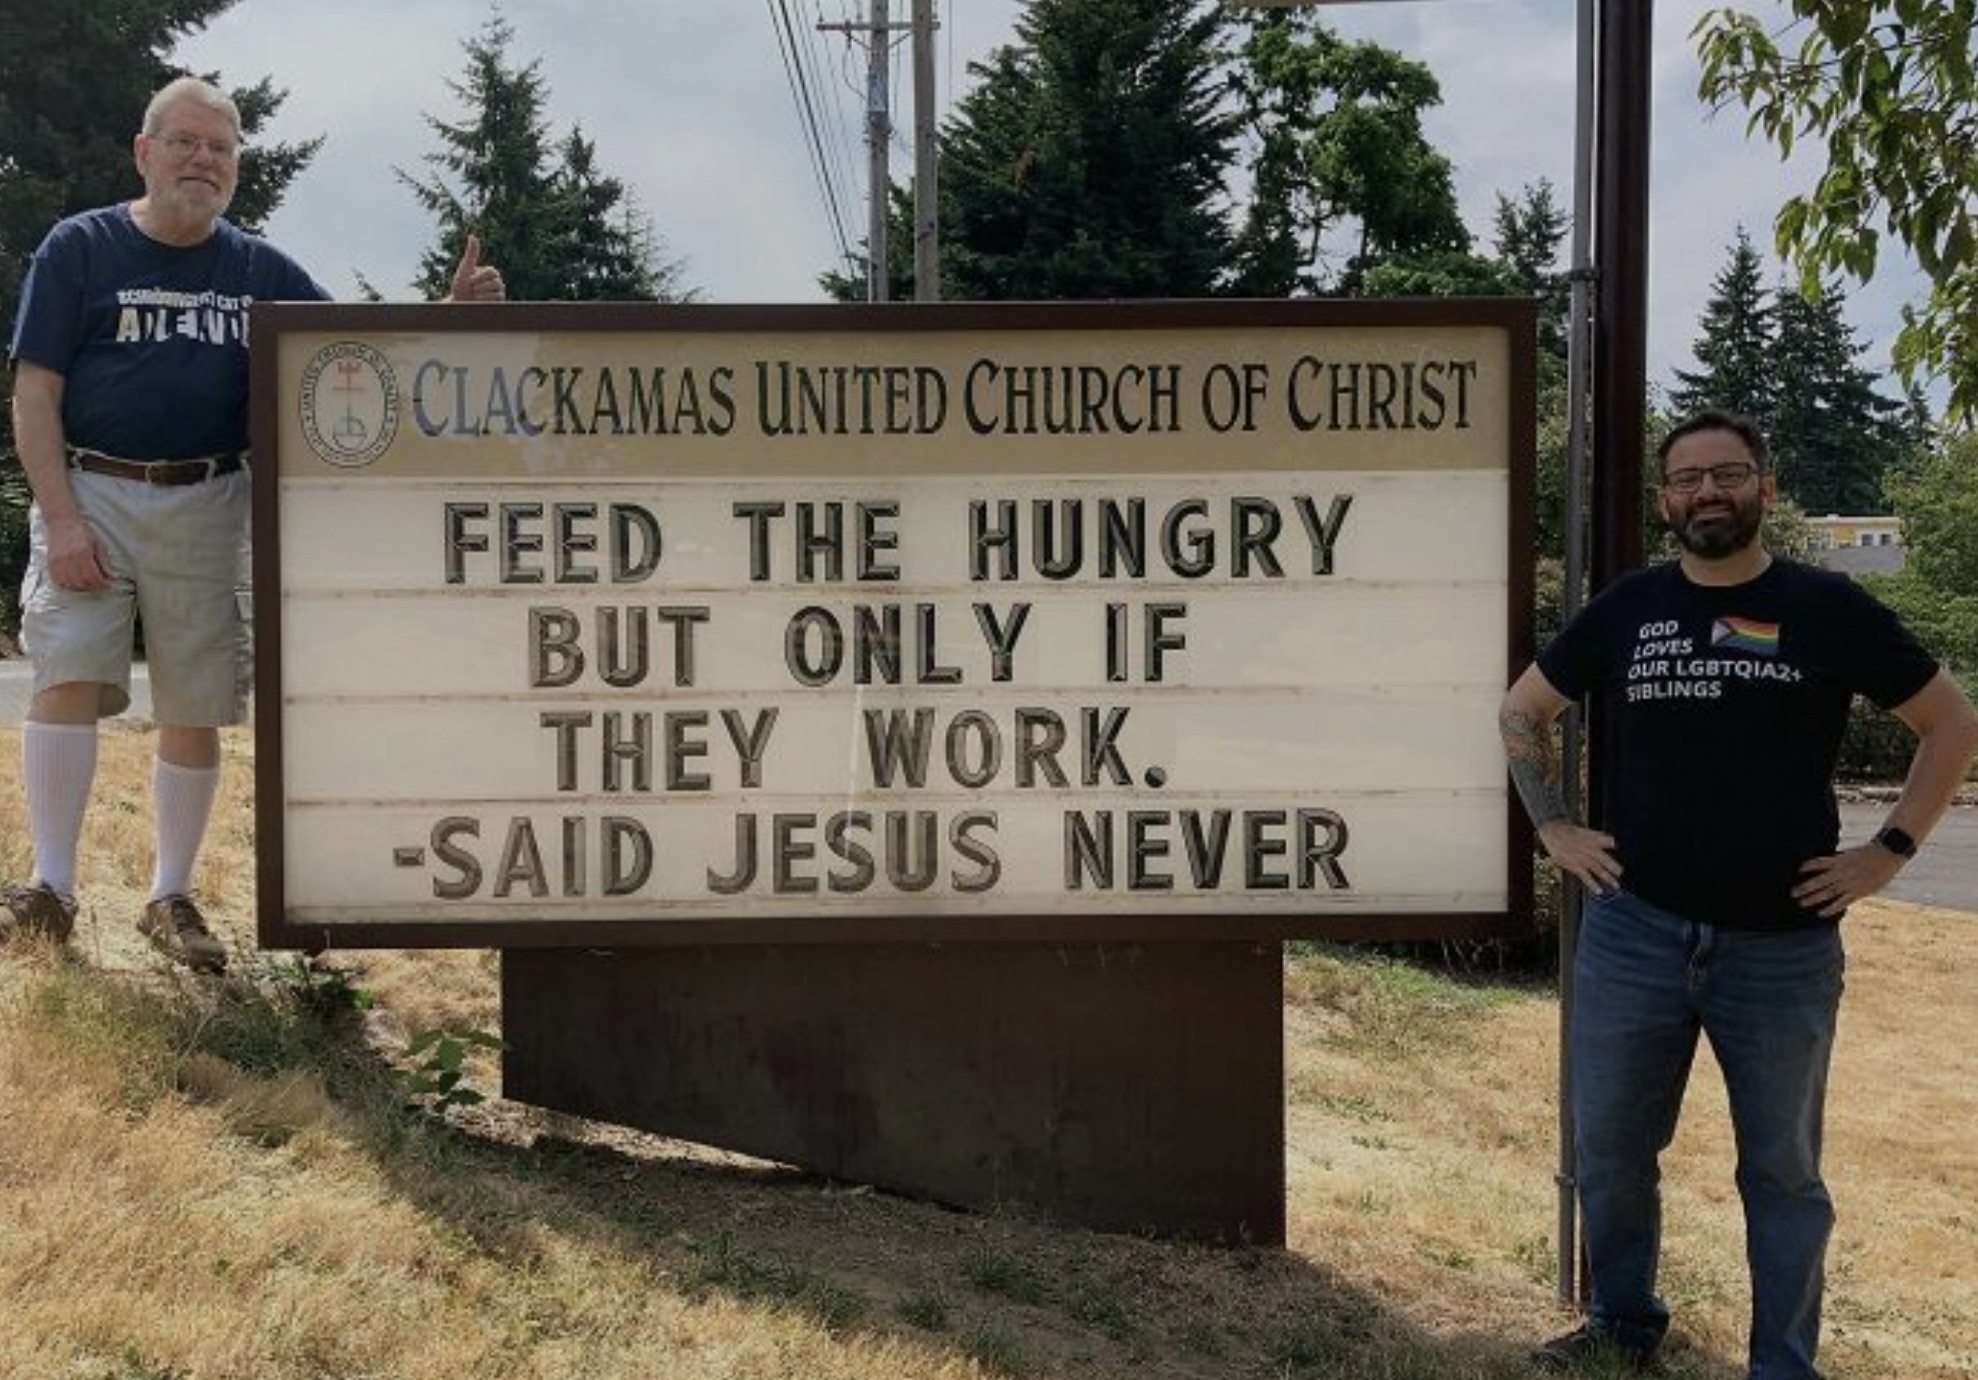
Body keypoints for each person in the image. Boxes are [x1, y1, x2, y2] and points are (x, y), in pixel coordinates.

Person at [1499, 408, 1978, 1377]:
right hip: (1635, 931)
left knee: (1783, 1173)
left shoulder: (1827, 607)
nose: (1706, 493)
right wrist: (1549, 823)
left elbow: (1949, 723)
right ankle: (1623, 1323)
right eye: (1687, 480)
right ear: (1665, 499)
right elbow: (1522, 708)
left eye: (1726, 474)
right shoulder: (1629, 608)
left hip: (1782, 944)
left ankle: (1783, 1362)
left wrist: (1887, 850)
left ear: (1764, 485)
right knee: (1611, 1152)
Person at [3, 76, 505, 972]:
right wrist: (61, 516)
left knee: (195, 703)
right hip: (94, 491)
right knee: (67, 675)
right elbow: (35, 392)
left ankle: (169, 895)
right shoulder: (80, 248)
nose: (206, 159)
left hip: (210, 498)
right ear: (144, 152)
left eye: (223, 149)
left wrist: (448, 319)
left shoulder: (258, 268)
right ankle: (51, 887)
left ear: (236, 167)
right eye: (188, 142)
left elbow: (351, 357)